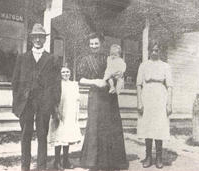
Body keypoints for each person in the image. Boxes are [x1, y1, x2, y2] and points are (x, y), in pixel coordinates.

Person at [11, 23, 62, 171]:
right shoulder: (22, 57)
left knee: (42, 135)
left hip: (44, 103)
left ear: (45, 39)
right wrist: (17, 101)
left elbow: (56, 84)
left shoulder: (52, 59)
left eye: (41, 37)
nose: (38, 40)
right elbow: (15, 81)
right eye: (35, 37)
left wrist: (54, 104)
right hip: (26, 103)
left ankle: (41, 167)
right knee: (25, 135)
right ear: (31, 39)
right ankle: (25, 167)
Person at [77, 32, 129, 171]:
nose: (94, 46)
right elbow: (80, 79)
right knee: (95, 127)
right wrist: (95, 82)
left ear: (101, 44)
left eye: (96, 43)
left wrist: (118, 76)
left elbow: (117, 71)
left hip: (110, 97)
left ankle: (110, 162)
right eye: (91, 44)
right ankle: (93, 162)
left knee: (110, 127)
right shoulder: (85, 60)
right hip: (95, 96)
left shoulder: (109, 58)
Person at [136, 42, 173, 169]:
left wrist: (169, 103)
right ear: (149, 51)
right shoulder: (143, 65)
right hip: (147, 97)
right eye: (152, 50)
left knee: (159, 127)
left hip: (160, 98)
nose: (154, 53)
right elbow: (139, 85)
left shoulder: (166, 66)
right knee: (147, 126)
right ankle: (148, 157)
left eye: (157, 50)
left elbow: (170, 86)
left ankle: (159, 158)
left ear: (160, 51)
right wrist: (139, 102)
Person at [48, 66, 82, 170]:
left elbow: (77, 100)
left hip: (70, 113)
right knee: (58, 136)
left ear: (70, 73)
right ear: (60, 74)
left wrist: (76, 114)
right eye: (63, 72)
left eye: (67, 72)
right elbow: (53, 99)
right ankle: (57, 161)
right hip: (59, 113)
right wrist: (56, 112)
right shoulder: (57, 84)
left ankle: (66, 160)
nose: (65, 74)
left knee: (67, 136)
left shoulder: (74, 84)